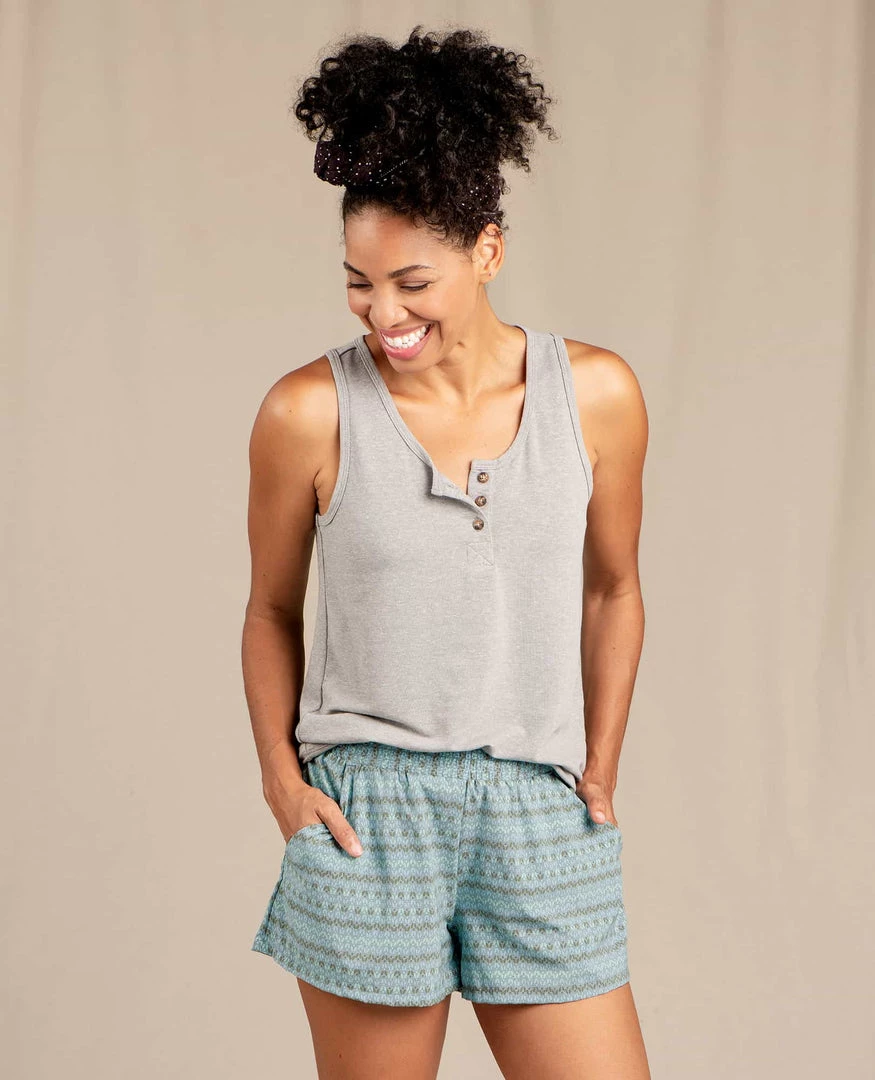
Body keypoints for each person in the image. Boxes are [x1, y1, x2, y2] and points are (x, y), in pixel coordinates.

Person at [243, 24, 651, 1080]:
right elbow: (270, 611)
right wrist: (282, 783)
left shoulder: (596, 396)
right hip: (368, 816)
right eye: (358, 281)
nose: (383, 313)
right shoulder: (306, 412)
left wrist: (598, 766)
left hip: (534, 803)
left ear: (487, 251)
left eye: (411, 282)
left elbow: (613, 590)